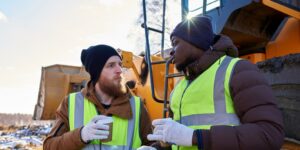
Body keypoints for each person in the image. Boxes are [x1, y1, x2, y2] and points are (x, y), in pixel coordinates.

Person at [146, 16, 284, 150]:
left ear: (196, 42)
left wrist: (196, 137)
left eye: (175, 43)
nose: (171, 52)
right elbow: (176, 137)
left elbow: (269, 134)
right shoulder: (178, 89)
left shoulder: (238, 70)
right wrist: (158, 148)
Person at [44, 44, 153, 150]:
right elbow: (49, 146)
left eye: (120, 64)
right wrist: (81, 135)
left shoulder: (137, 105)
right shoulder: (71, 103)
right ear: (96, 72)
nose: (119, 70)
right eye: (111, 65)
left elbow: (152, 143)